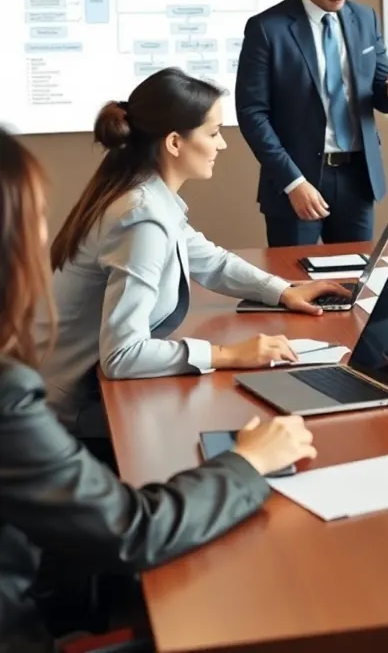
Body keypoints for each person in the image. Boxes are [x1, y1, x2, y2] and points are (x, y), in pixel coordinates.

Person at [0, 126, 317, 653]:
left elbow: (208, 258)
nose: (43, 237)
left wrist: (280, 291)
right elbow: (134, 530)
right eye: (33, 217)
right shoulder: (8, 397)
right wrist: (247, 462)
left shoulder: (147, 200)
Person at [40, 69, 344, 448]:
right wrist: (227, 354)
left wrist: (283, 291)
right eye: (214, 133)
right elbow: (123, 355)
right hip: (68, 421)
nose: (223, 145)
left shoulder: (142, 193)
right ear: (174, 143)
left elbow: (210, 261)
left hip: (73, 398)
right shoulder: (141, 217)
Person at [235, 0, 388, 247]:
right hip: (297, 181)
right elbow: (252, 113)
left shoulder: (365, 18)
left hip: (358, 179)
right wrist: (292, 182)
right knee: (296, 287)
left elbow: (379, 92)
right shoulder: (267, 29)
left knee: (353, 283)